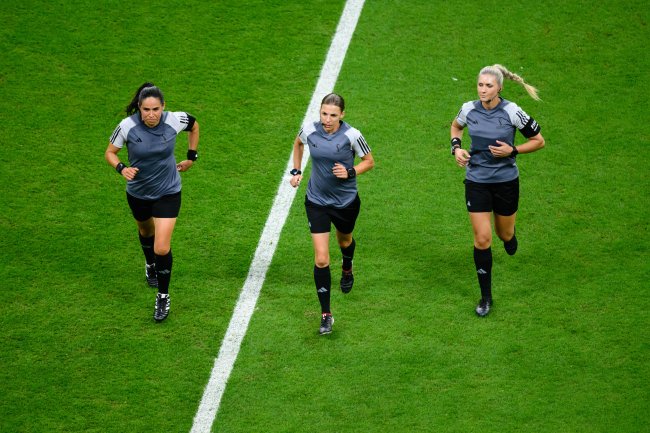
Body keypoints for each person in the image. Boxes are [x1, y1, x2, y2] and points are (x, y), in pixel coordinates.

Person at [450, 64, 545, 317]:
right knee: (482, 239)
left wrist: (512, 150)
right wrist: (456, 148)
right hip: (477, 180)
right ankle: (486, 297)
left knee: (504, 234)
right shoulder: (468, 109)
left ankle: (510, 236)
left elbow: (538, 141)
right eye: (480, 85)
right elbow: (456, 127)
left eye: (488, 86)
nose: (483, 90)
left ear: (499, 88)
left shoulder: (512, 111)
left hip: (505, 181)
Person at [105, 82, 200, 322]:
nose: (151, 114)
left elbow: (194, 125)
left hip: (168, 192)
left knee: (161, 247)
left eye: (155, 109)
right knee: (145, 231)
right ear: (139, 107)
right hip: (138, 192)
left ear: (163, 107)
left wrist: (191, 157)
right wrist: (121, 168)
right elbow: (110, 152)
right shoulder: (126, 127)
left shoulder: (174, 120)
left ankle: (163, 296)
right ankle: (149, 266)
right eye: (146, 110)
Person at [289, 93, 375, 335]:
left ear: (342, 115)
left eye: (333, 115)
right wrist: (296, 170)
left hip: (345, 202)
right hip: (316, 201)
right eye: (324, 113)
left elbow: (369, 161)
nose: (327, 119)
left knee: (344, 240)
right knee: (322, 258)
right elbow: (298, 143)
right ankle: (326, 314)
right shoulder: (309, 129)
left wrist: (350, 171)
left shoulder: (352, 135)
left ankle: (347, 267)